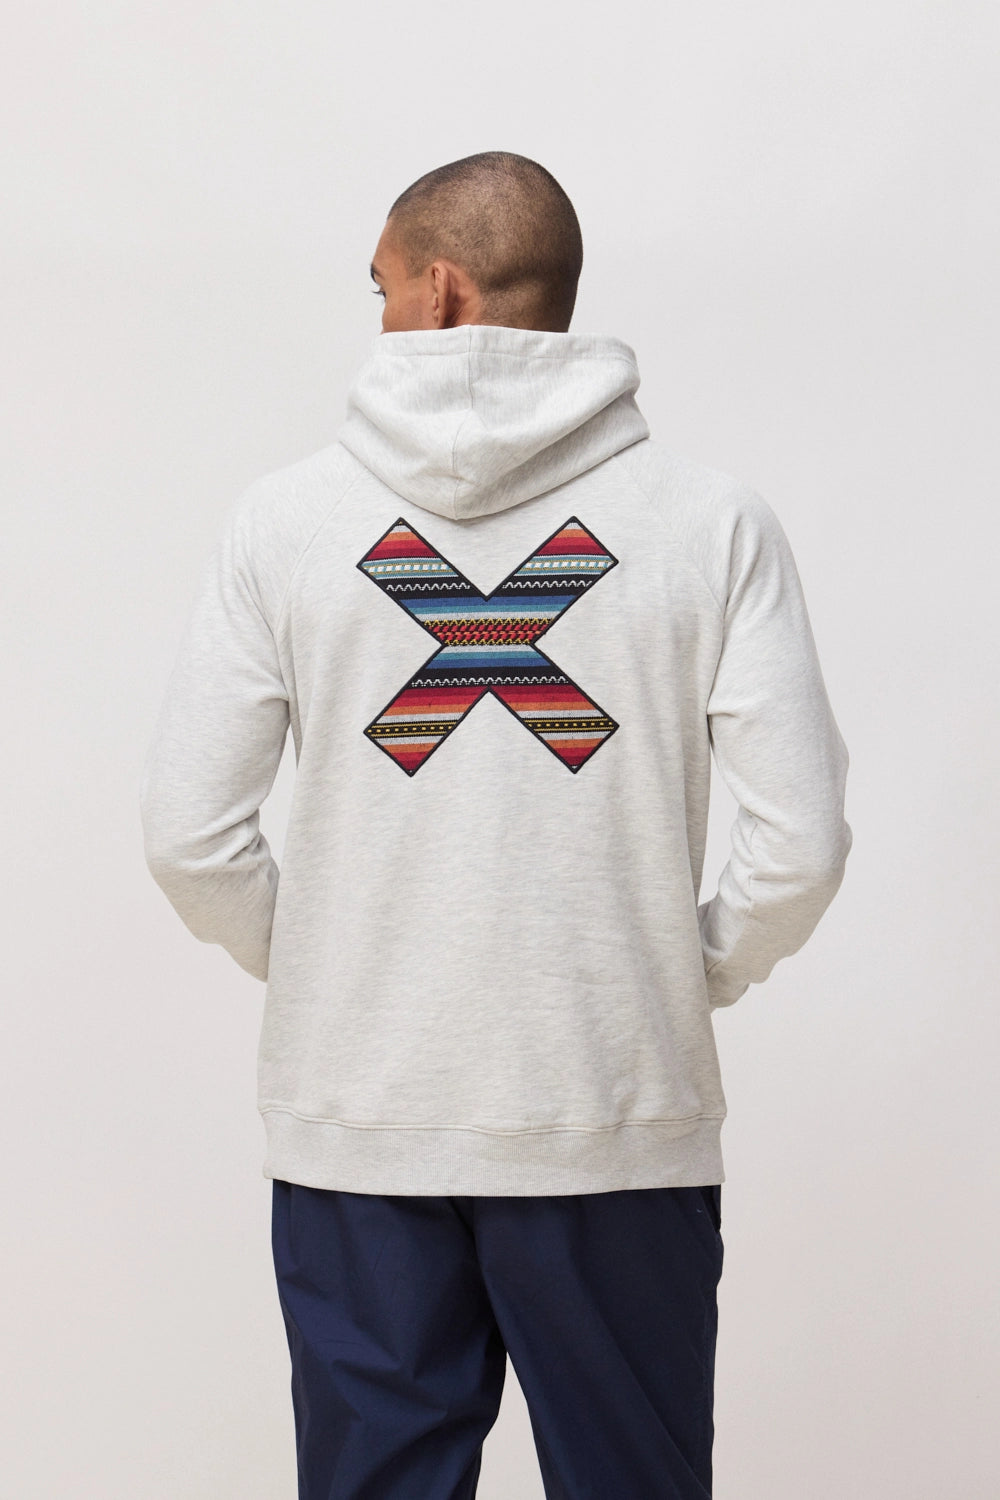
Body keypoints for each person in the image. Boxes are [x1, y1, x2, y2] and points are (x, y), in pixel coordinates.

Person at [139, 150, 852, 1499]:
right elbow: (802, 846)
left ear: (441, 291)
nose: (376, 314)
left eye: (379, 287)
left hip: (360, 1124)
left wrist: (336, 968)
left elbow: (189, 835)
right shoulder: (712, 525)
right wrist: (678, 972)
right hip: (617, 1117)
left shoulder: (283, 523)